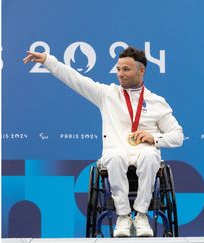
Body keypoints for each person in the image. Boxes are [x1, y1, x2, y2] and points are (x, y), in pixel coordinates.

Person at [23, 46, 183, 237]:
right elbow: (75, 79)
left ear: (141, 70)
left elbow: (177, 136)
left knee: (149, 155)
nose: (120, 74)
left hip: (144, 152)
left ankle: (141, 216)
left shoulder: (157, 101)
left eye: (126, 69)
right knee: (115, 157)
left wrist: (154, 138)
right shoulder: (106, 94)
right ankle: (123, 217)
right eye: (118, 69)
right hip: (115, 152)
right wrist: (48, 60)